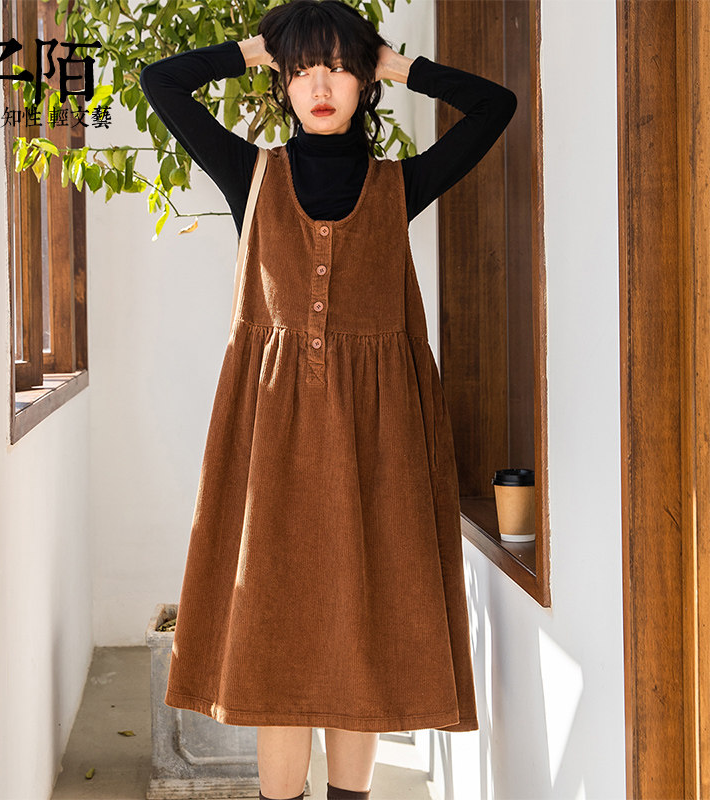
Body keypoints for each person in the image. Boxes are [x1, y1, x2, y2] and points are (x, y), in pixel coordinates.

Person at [139, 2, 517, 799]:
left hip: (378, 453)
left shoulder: (399, 185)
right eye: (305, 69)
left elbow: (496, 106)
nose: (321, 85)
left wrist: (399, 64)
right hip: (269, 448)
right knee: (274, 644)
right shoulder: (250, 174)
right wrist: (252, 51)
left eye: (340, 69)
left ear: (366, 82)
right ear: (282, 81)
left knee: (361, 645)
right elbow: (160, 82)